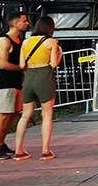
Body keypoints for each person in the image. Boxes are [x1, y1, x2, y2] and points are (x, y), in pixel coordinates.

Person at [12, 16, 61, 161]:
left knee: (25, 115)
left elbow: (22, 65)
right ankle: (45, 151)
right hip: (44, 77)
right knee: (47, 114)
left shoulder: (26, 42)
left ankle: (19, 151)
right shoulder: (51, 42)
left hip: (29, 78)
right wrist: (59, 55)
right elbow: (53, 64)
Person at [0, 9, 28, 159]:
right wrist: (21, 68)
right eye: (24, 21)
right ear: (15, 23)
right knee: (3, 114)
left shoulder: (20, 40)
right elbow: (3, 64)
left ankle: (0, 143)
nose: (27, 23)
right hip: (5, 82)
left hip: (17, 82)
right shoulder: (4, 40)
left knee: (12, 114)